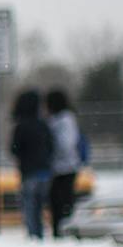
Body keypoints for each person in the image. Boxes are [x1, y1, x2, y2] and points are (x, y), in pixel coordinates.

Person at [11, 88, 55, 240]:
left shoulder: (21, 126)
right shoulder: (43, 125)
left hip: (29, 171)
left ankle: (34, 234)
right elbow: (51, 146)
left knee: (29, 205)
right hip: (45, 171)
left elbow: (15, 149)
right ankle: (41, 232)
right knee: (41, 204)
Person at [45, 88, 87, 238]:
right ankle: (60, 230)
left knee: (63, 200)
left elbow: (66, 143)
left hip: (66, 166)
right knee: (57, 200)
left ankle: (65, 230)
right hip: (59, 167)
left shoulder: (65, 120)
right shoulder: (58, 119)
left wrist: (52, 149)